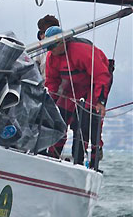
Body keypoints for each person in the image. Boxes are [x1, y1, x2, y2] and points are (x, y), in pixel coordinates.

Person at [44, 26, 112, 166]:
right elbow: (52, 81)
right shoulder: (52, 57)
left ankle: (90, 159)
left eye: (52, 47)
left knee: (87, 121)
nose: (50, 51)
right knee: (60, 117)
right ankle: (52, 156)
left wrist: (101, 101)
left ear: (63, 42)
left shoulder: (82, 51)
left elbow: (101, 76)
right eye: (48, 47)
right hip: (73, 85)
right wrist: (50, 103)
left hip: (94, 84)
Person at [35, 15, 60, 81]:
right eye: (40, 33)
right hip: (47, 85)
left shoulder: (68, 46)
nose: (42, 35)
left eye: (44, 32)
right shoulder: (40, 50)